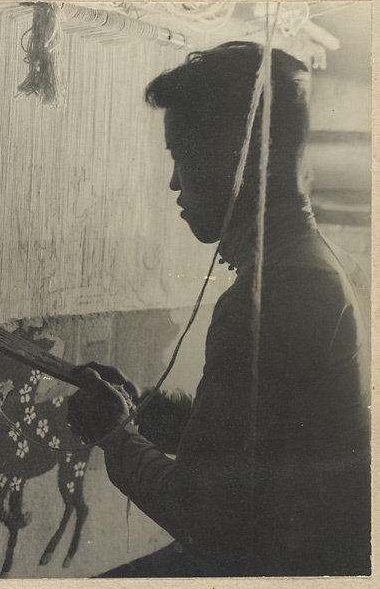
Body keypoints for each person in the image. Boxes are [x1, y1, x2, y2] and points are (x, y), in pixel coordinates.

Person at [67, 41, 371, 577]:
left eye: (179, 156)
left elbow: (200, 511)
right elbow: (252, 445)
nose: (175, 182)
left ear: (233, 158)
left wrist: (114, 435)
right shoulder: (314, 266)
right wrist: (140, 408)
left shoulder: (271, 296)